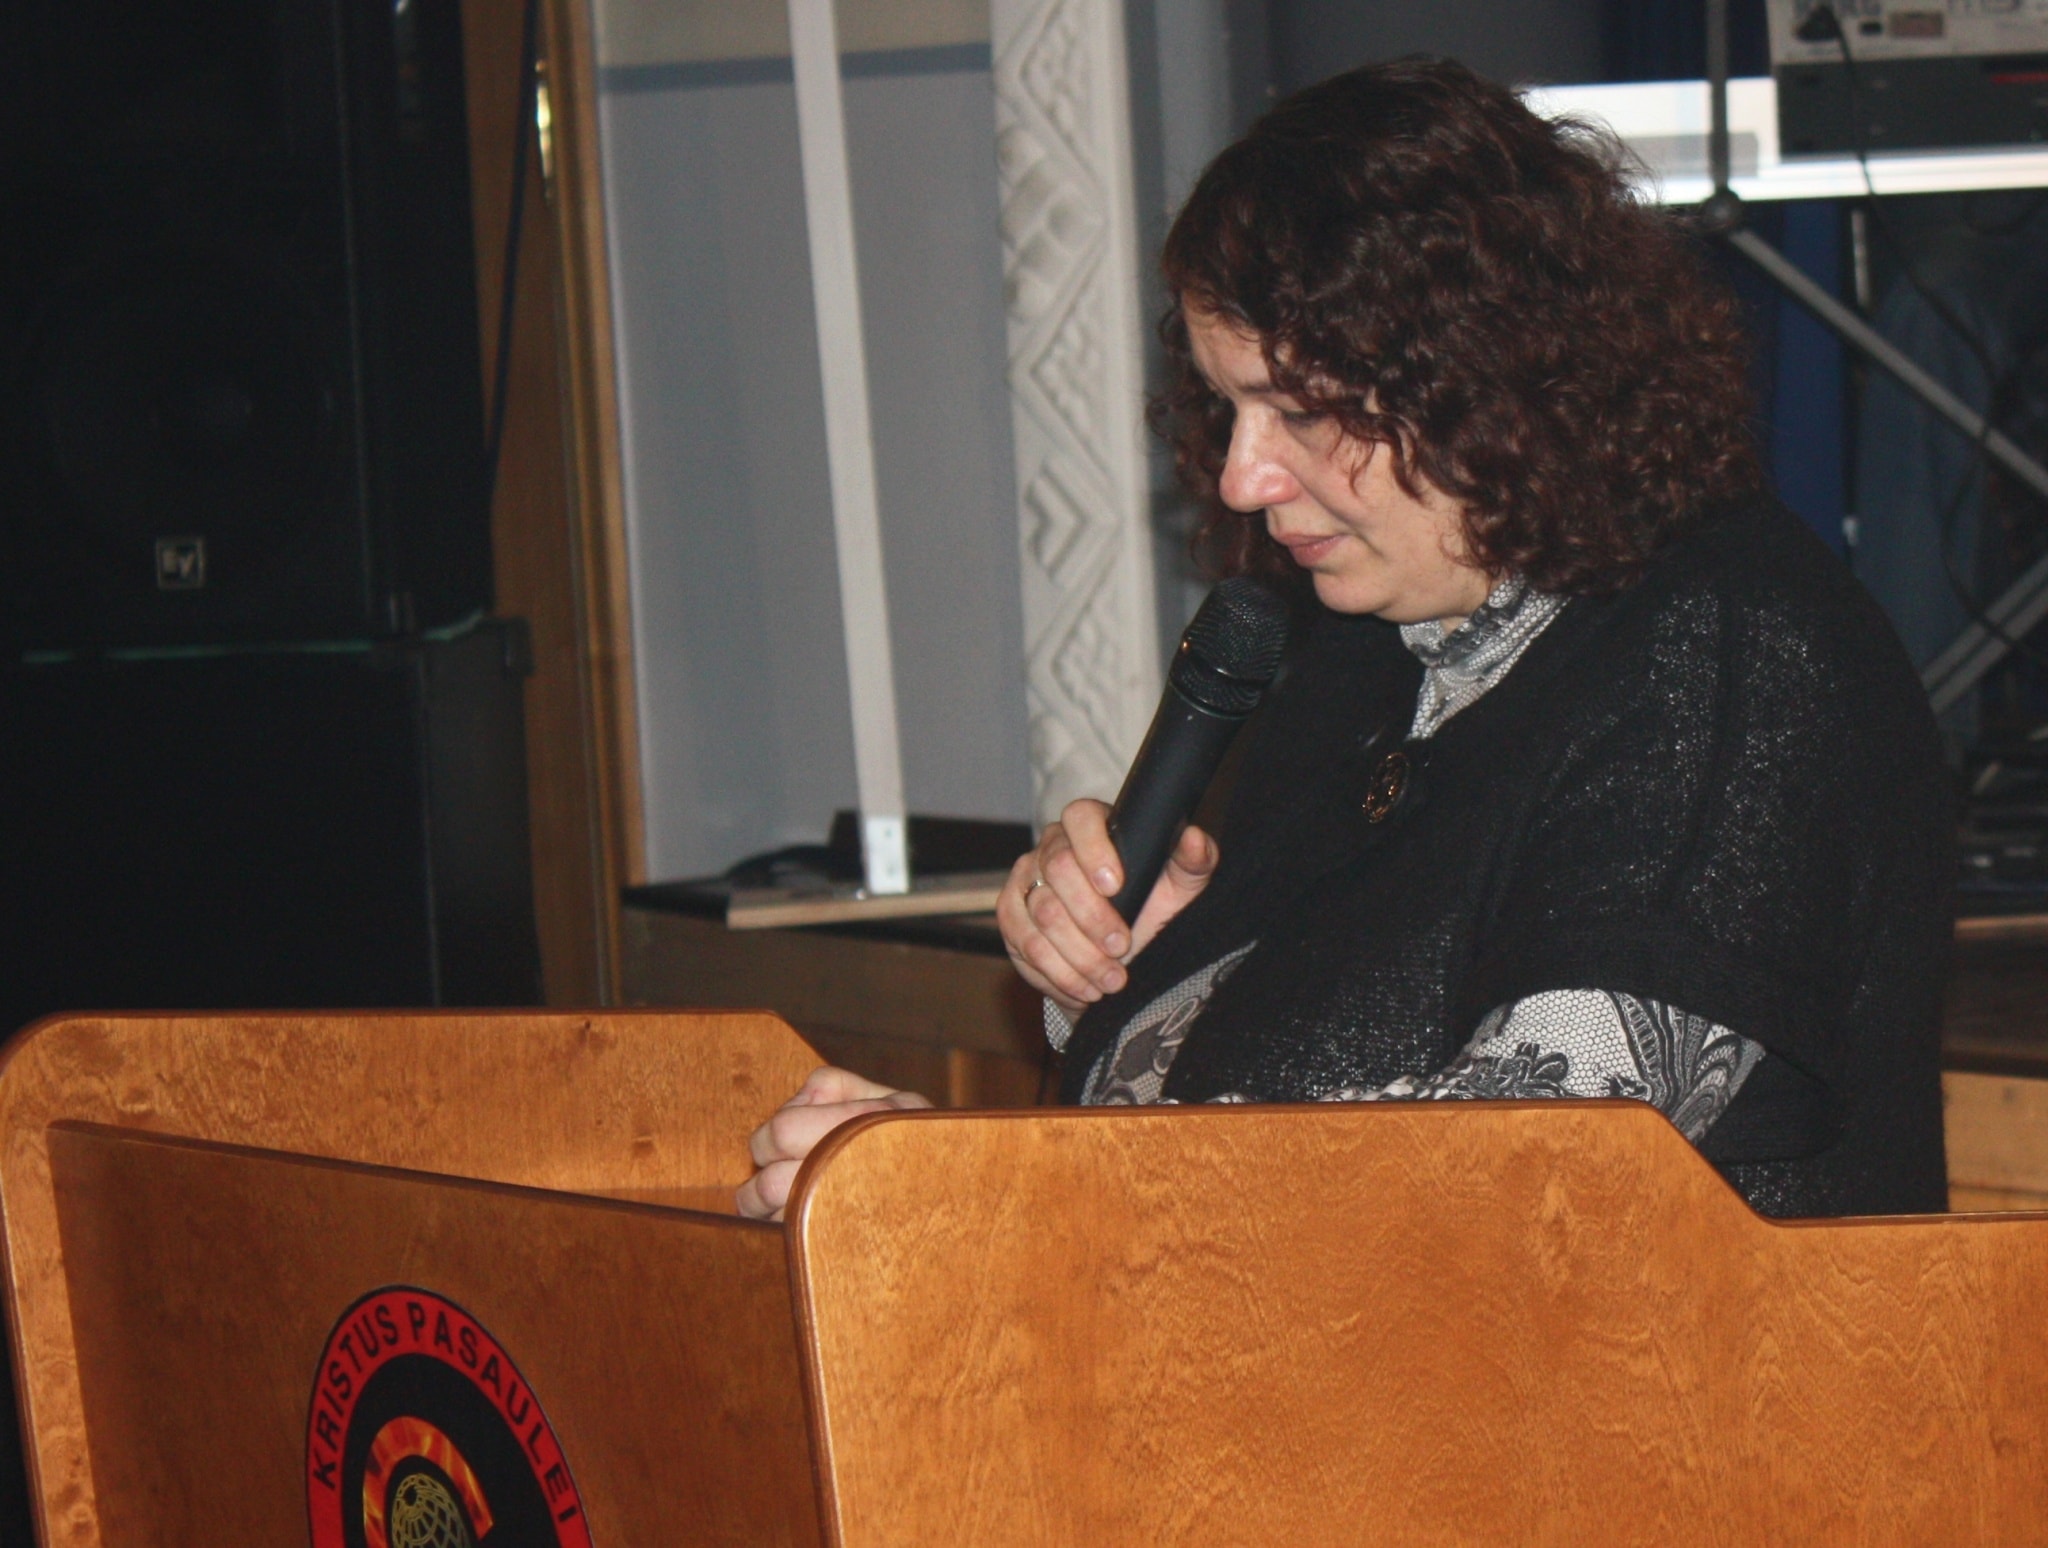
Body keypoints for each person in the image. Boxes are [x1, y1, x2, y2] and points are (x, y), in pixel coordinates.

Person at [738, 57, 1952, 1224]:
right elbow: (1270, 1127)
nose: (1240, 476)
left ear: (1491, 376)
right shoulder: (1364, 654)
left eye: (1300, 411)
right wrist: (1153, 984)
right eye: (1227, 407)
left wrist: (966, 1198)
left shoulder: (1728, 656)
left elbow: (1513, 1177)